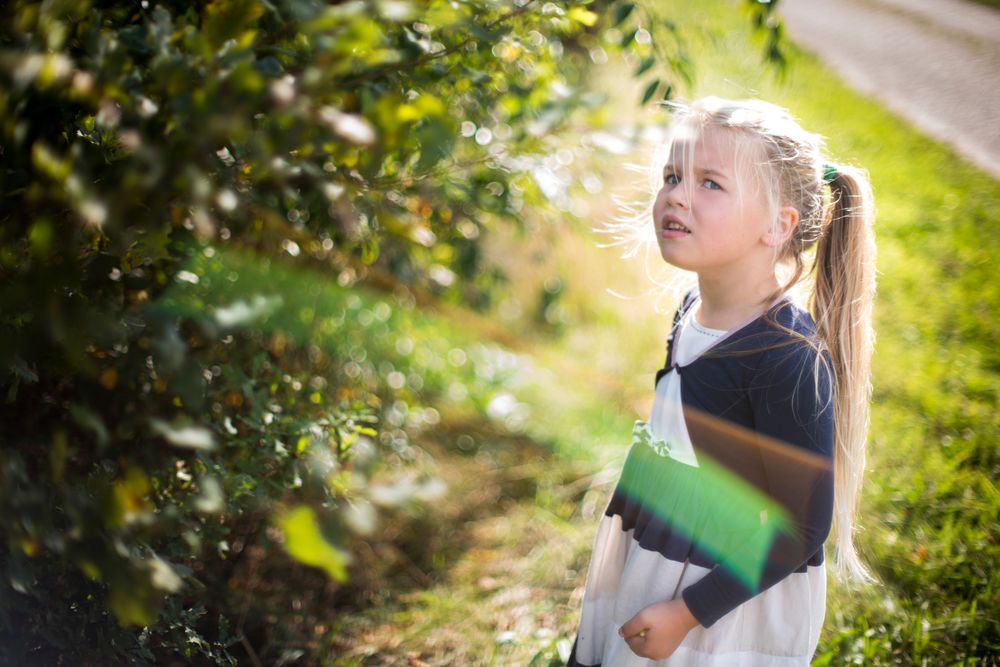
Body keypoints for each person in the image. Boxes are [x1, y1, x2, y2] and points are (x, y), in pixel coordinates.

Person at [566, 97, 876, 666]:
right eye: (672, 176)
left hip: (719, 607)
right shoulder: (692, 308)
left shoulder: (785, 358)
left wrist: (686, 613)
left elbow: (801, 526)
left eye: (710, 183)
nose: (676, 195)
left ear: (777, 225)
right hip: (656, 557)